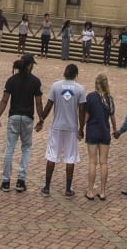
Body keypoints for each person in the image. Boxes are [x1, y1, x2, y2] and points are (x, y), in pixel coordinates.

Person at [0, 54, 43, 192]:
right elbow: (38, 103)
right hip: (28, 117)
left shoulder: (12, 80)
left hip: (14, 116)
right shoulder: (35, 81)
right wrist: (41, 119)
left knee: (10, 148)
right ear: (30, 65)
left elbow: (4, 100)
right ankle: (21, 180)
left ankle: (5, 181)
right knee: (26, 148)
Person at [38, 62, 87, 196]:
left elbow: (48, 105)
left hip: (57, 126)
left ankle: (47, 187)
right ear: (76, 75)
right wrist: (81, 128)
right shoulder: (80, 89)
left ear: (65, 72)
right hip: (71, 128)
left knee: (52, 155)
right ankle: (67, 189)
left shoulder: (56, 86)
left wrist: (41, 119)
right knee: (70, 158)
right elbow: (82, 111)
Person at [82, 73, 119, 200]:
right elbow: (112, 117)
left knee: (92, 162)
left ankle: (90, 191)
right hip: (104, 132)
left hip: (92, 131)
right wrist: (114, 129)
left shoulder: (91, 97)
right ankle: (103, 191)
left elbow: (86, 116)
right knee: (104, 162)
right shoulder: (110, 99)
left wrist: (80, 128)